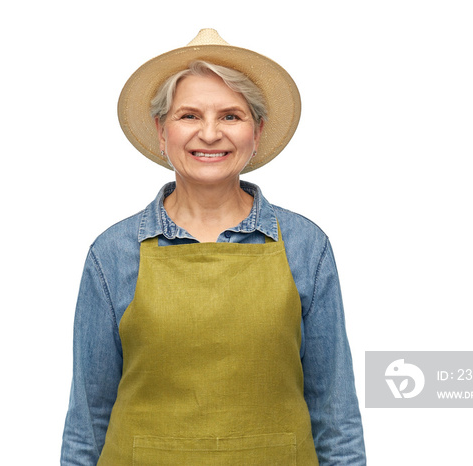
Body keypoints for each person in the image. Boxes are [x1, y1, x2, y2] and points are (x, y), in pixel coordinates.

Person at [61, 28, 366, 465]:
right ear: (161, 131)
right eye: (189, 116)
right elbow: (88, 420)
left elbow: (335, 414)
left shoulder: (305, 246)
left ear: (256, 131)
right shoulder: (113, 253)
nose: (209, 134)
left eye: (230, 116)